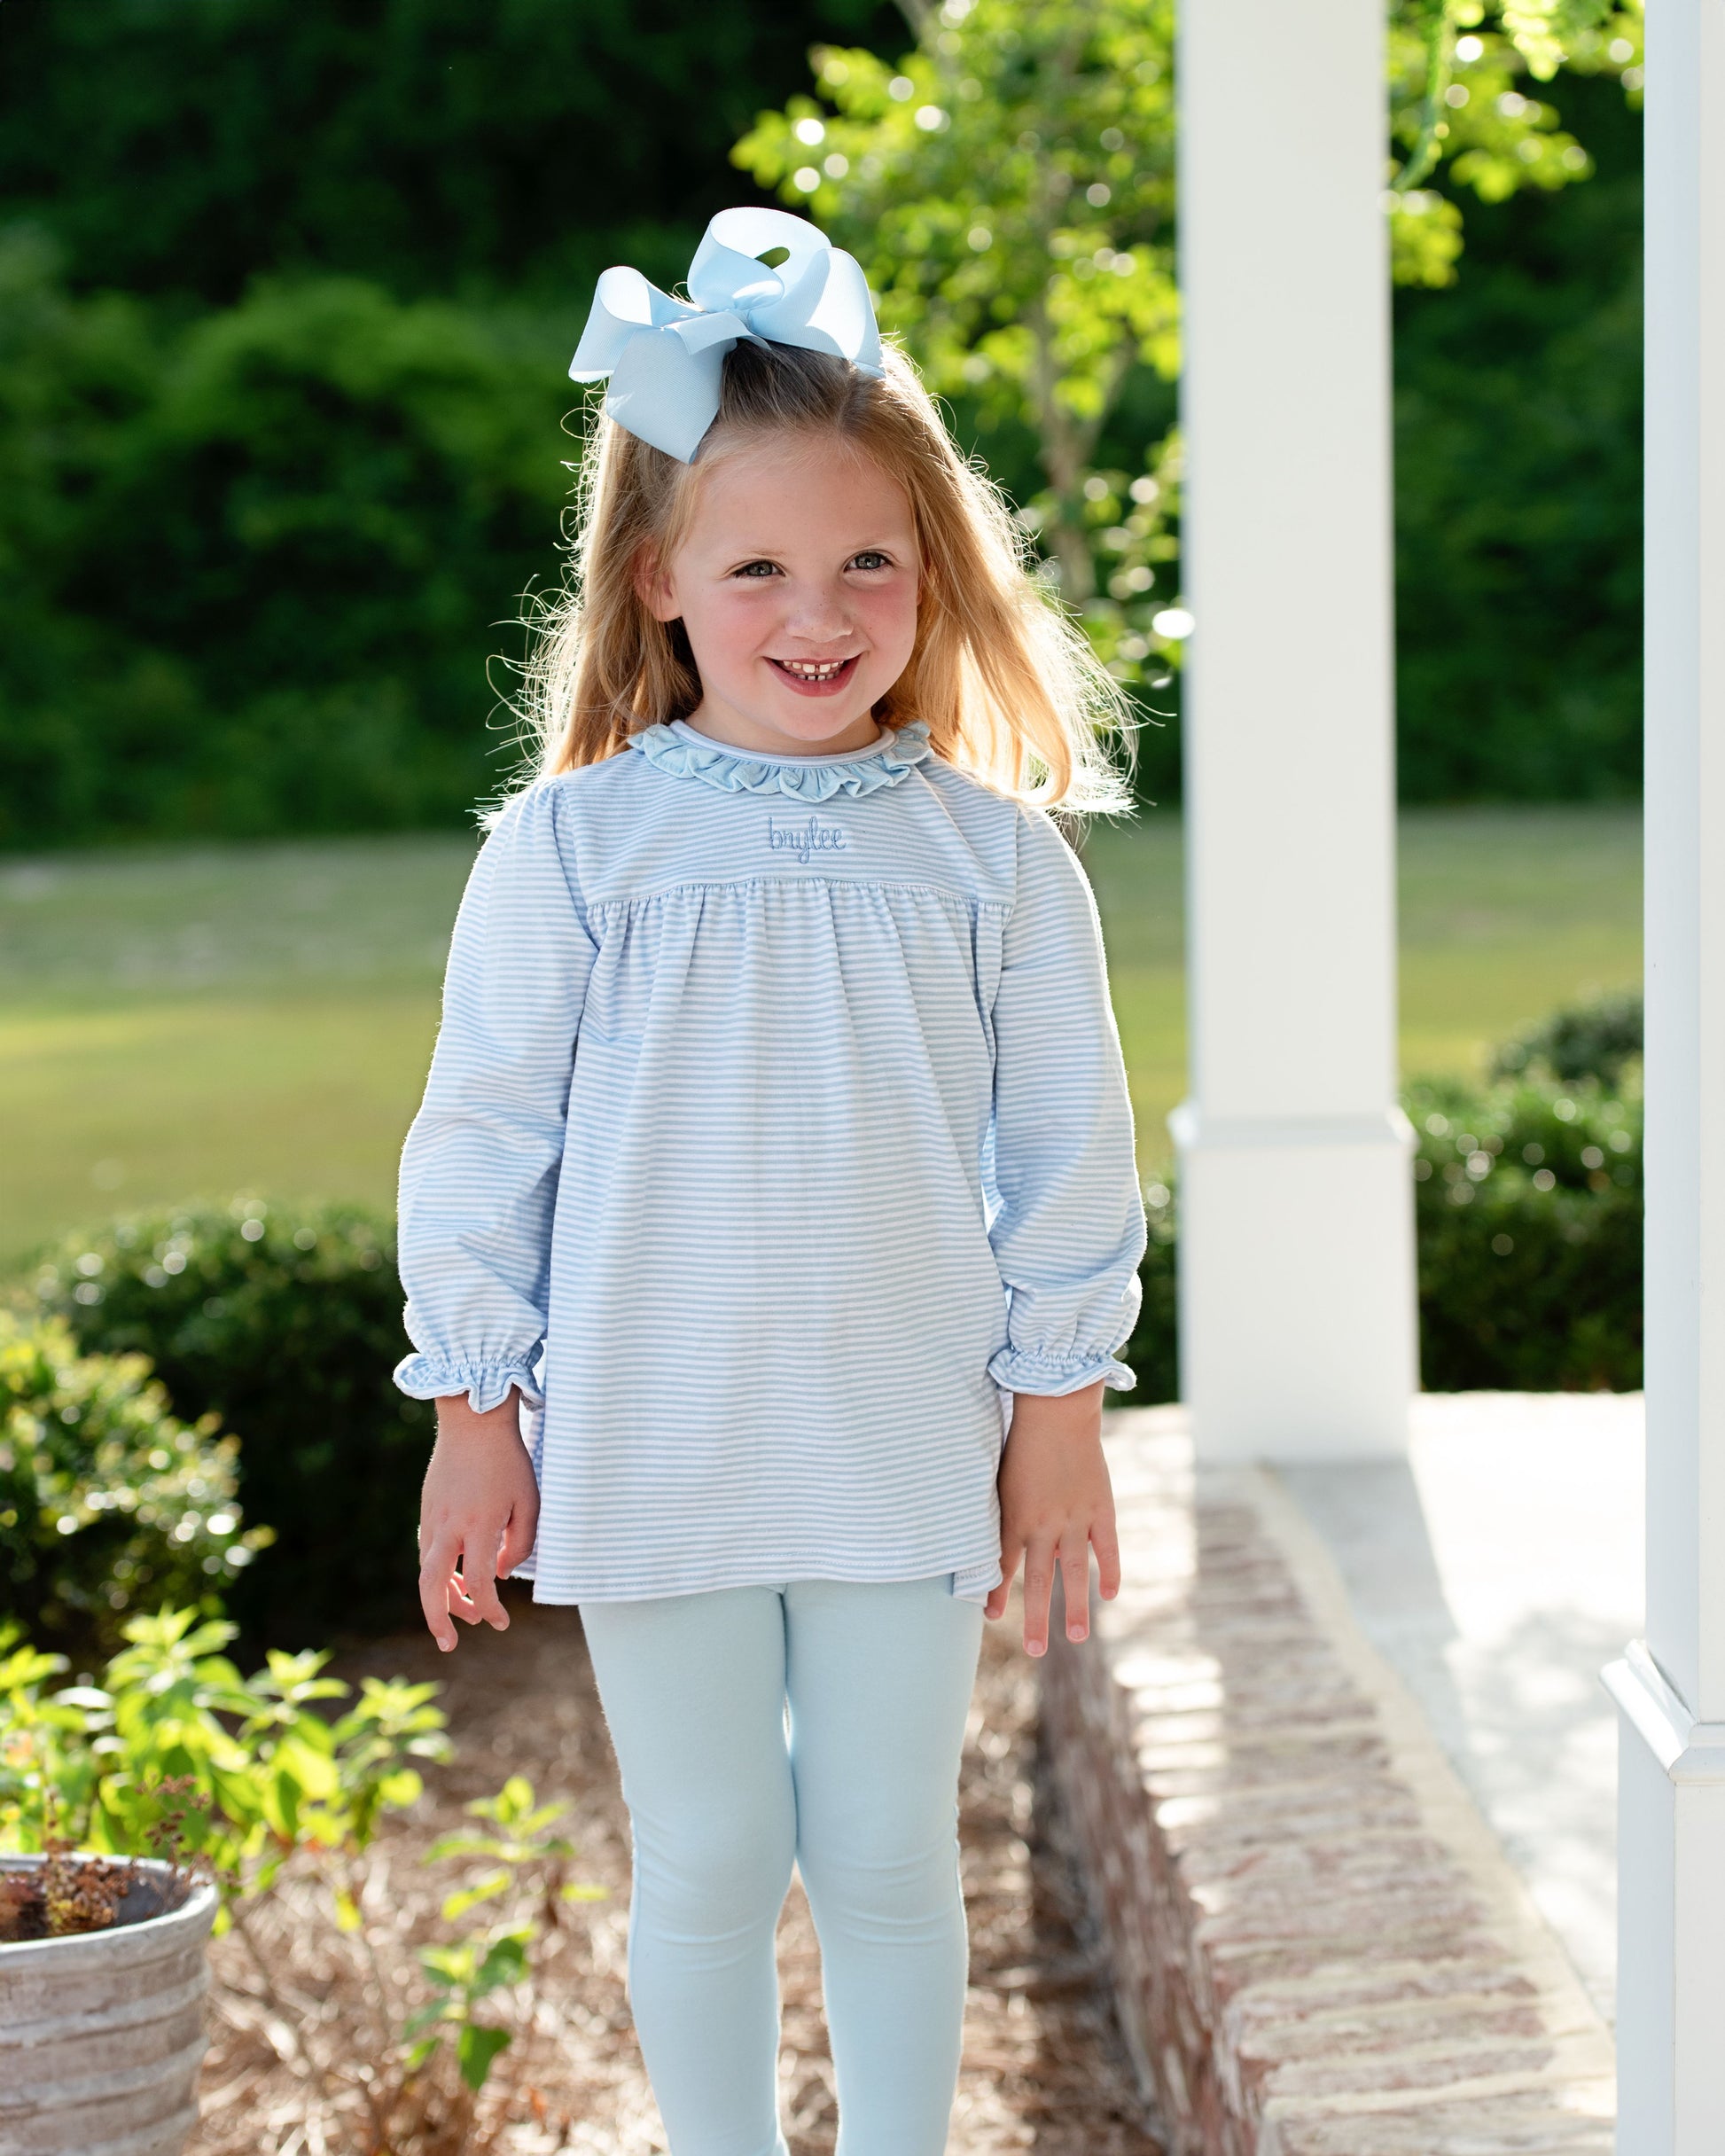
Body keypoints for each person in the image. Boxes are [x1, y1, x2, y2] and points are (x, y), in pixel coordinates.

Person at [397, 207, 1148, 2156]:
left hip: (904, 1427)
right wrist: (476, 1410)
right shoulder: (574, 851)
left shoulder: (992, 860)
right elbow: (483, 1143)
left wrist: (1057, 1408)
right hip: (658, 1436)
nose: (818, 612)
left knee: (890, 1850)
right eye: (757, 569)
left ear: (933, 571)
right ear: (659, 578)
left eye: (866, 561)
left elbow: (1070, 1152)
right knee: (712, 1853)